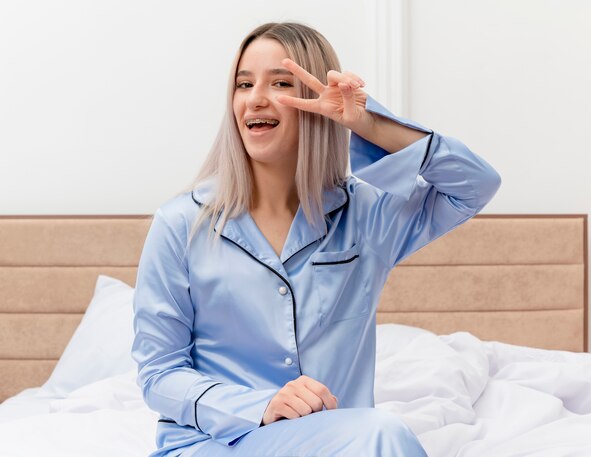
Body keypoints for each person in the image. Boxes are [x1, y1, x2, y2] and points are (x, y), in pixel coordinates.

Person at [132, 22, 501, 457]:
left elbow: (474, 185)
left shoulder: (366, 215)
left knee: (378, 434)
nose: (255, 98)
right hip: (212, 444)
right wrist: (261, 404)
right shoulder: (180, 224)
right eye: (244, 84)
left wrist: (367, 123)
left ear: (316, 102)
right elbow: (159, 374)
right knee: (383, 434)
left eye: (281, 83)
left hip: (335, 443)